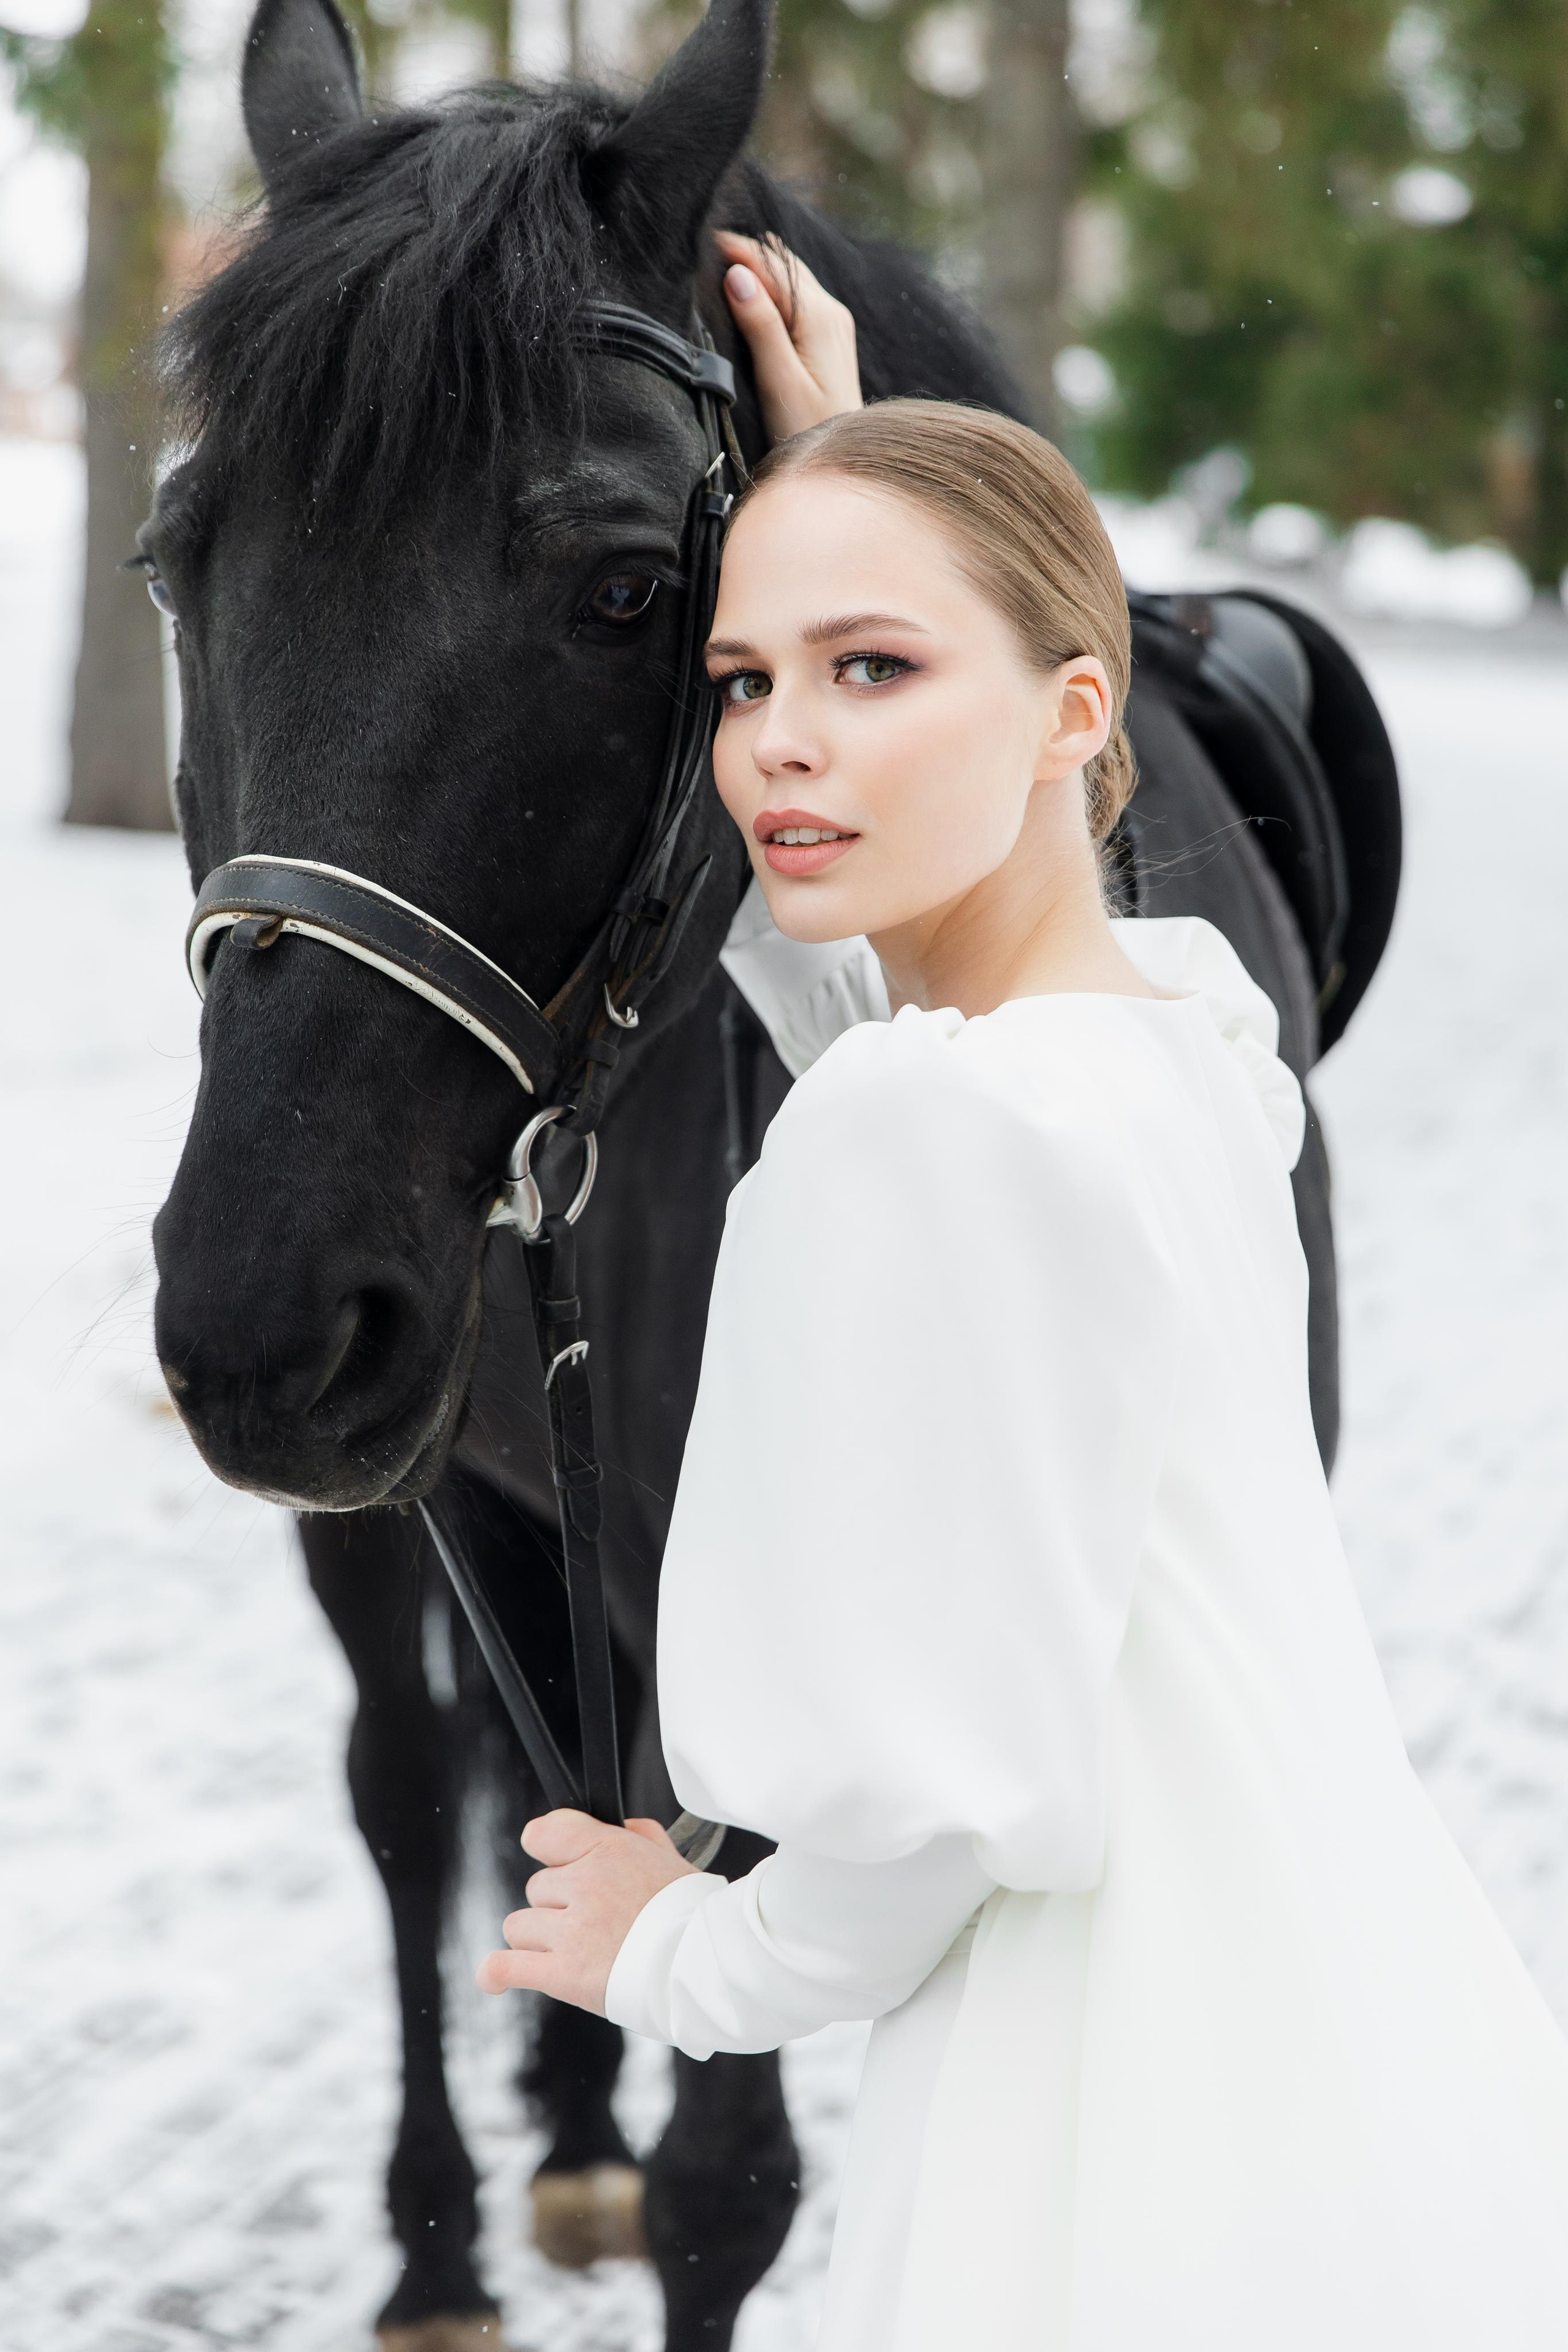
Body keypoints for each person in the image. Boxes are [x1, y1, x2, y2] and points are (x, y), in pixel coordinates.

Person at [478, 241, 1568, 2346]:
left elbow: (945, 1807)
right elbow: (931, 1024)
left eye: (872, 669)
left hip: (1101, 2128)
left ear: (1079, 711)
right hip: (1350, 2045)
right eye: (743, 682)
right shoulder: (1187, 1045)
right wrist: (857, 491)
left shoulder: (947, 1127)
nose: (782, 747)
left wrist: (679, 1955)